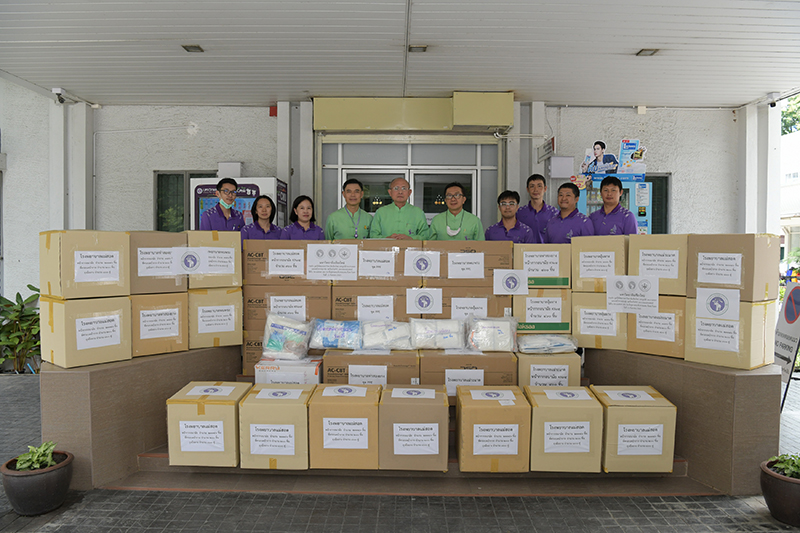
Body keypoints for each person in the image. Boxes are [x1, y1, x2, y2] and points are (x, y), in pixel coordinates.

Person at [517, 173, 558, 243]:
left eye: (539, 186)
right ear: (527, 189)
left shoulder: (554, 213)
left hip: (547, 249)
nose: (535, 190)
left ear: (545, 189)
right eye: (532, 186)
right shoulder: (519, 213)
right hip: (525, 249)